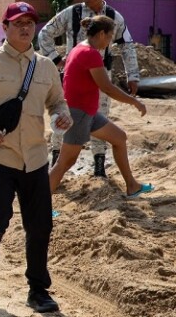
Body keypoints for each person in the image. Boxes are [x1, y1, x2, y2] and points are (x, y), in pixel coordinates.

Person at [0, 2, 72, 313]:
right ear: (4, 28)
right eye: (17, 22)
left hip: (35, 156)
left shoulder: (46, 66)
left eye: (30, 23)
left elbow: (57, 102)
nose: (25, 28)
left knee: (40, 225)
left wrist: (62, 116)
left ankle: (38, 290)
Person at [39, 0, 140, 176]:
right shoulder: (72, 13)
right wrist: (56, 59)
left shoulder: (114, 17)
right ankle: (56, 162)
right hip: (73, 78)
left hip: (100, 76)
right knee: (63, 117)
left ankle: (99, 167)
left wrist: (133, 75)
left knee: (100, 117)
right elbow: (44, 33)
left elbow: (127, 45)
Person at [49, 15, 152, 198]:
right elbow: (107, 87)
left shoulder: (79, 48)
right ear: (102, 33)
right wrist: (134, 101)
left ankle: (132, 186)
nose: (110, 42)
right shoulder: (90, 54)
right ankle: (39, 205)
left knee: (119, 138)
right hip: (78, 114)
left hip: (87, 113)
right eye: (110, 37)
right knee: (66, 162)